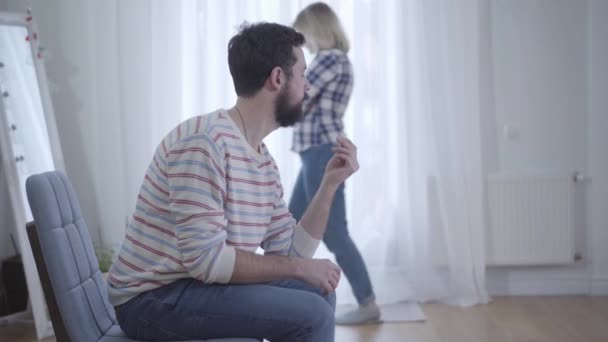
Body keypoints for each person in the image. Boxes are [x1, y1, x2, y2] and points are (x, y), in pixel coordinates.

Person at [106, 22, 359, 342]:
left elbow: (292, 252)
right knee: (313, 314)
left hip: (196, 285)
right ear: (278, 78)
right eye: (304, 75)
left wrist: (330, 185)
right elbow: (207, 262)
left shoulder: (262, 160)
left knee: (319, 293)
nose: (308, 87)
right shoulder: (203, 142)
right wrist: (297, 269)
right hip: (153, 299)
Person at [291, 2, 380, 325]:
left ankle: (367, 302)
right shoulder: (335, 61)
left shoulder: (330, 60)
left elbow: (299, 93)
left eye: (304, 37)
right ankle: (285, 295)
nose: (304, 45)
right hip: (314, 153)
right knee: (291, 225)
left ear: (317, 30)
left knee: (334, 232)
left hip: (321, 152)